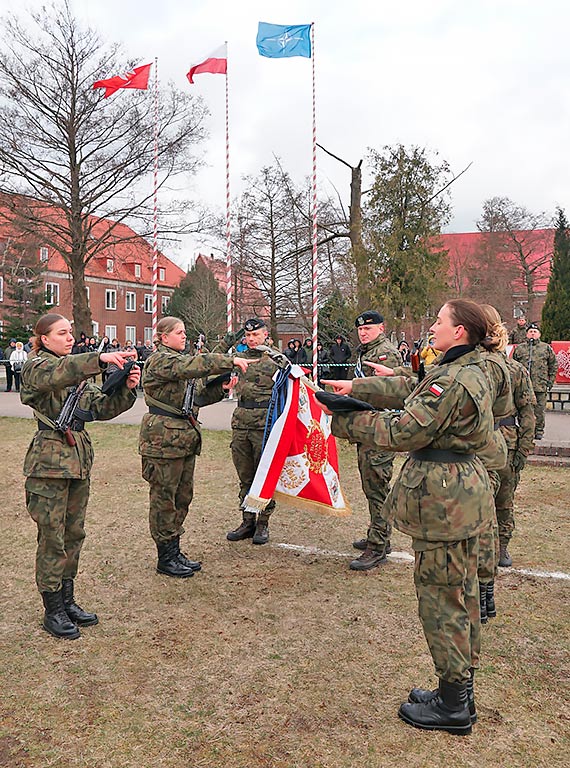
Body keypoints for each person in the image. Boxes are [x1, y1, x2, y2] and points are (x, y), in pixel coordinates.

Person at [320, 299, 496, 735]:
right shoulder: (468, 367)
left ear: (460, 331)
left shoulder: (455, 378)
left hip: (444, 501)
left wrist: (340, 422)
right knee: (462, 593)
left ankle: (453, 707)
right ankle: (457, 691)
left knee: (442, 599)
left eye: (439, 321)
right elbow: (410, 391)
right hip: (460, 492)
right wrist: (354, 392)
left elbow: (403, 430)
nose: (432, 326)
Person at [20, 313, 140, 640]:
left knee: (73, 534)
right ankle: (53, 609)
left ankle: (68, 600)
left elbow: (98, 408)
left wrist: (126, 388)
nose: (70, 337)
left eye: (71, 332)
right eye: (62, 333)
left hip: (77, 460)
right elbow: (58, 374)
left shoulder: (74, 372)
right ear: (44, 339)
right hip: (49, 465)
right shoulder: (37, 367)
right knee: (52, 537)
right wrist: (99, 359)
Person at [139, 316, 253, 578]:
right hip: (162, 441)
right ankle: (165, 556)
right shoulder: (161, 360)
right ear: (163, 337)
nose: (183, 336)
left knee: (182, 496)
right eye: (178, 332)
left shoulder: (180, 362)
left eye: (184, 332)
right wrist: (229, 360)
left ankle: (174, 548)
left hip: (183, 439)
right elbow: (194, 366)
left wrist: (220, 388)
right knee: (164, 499)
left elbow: (196, 395)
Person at [350, 310, 402, 571]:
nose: (363, 332)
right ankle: (378, 534)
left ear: (381, 328)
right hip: (366, 428)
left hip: (379, 429)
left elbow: (391, 394)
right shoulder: (365, 352)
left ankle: (378, 546)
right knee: (371, 487)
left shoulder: (386, 354)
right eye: (360, 329)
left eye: (368, 329)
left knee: (377, 487)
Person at [224, 318, 281, 545]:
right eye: (247, 336)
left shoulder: (277, 359)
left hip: (263, 424)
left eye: (255, 335)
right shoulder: (239, 359)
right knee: (245, 475)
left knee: (264, 476)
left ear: (265, 335)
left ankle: (263, 522)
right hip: (241, 423)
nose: (250, 339)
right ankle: (247, 520)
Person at [513, 323, 557, 439]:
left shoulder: (545, 348)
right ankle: (525, 431)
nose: (532, 333)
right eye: (530, 331)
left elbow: (553, 365)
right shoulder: (520, 348)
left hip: (540, 385)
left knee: (539, 410)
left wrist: (550, 381)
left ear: (539, 334)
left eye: (535, 332)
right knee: (524, 409)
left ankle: (539, 431)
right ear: (527, 334)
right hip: (523, 386)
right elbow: (513, 366)